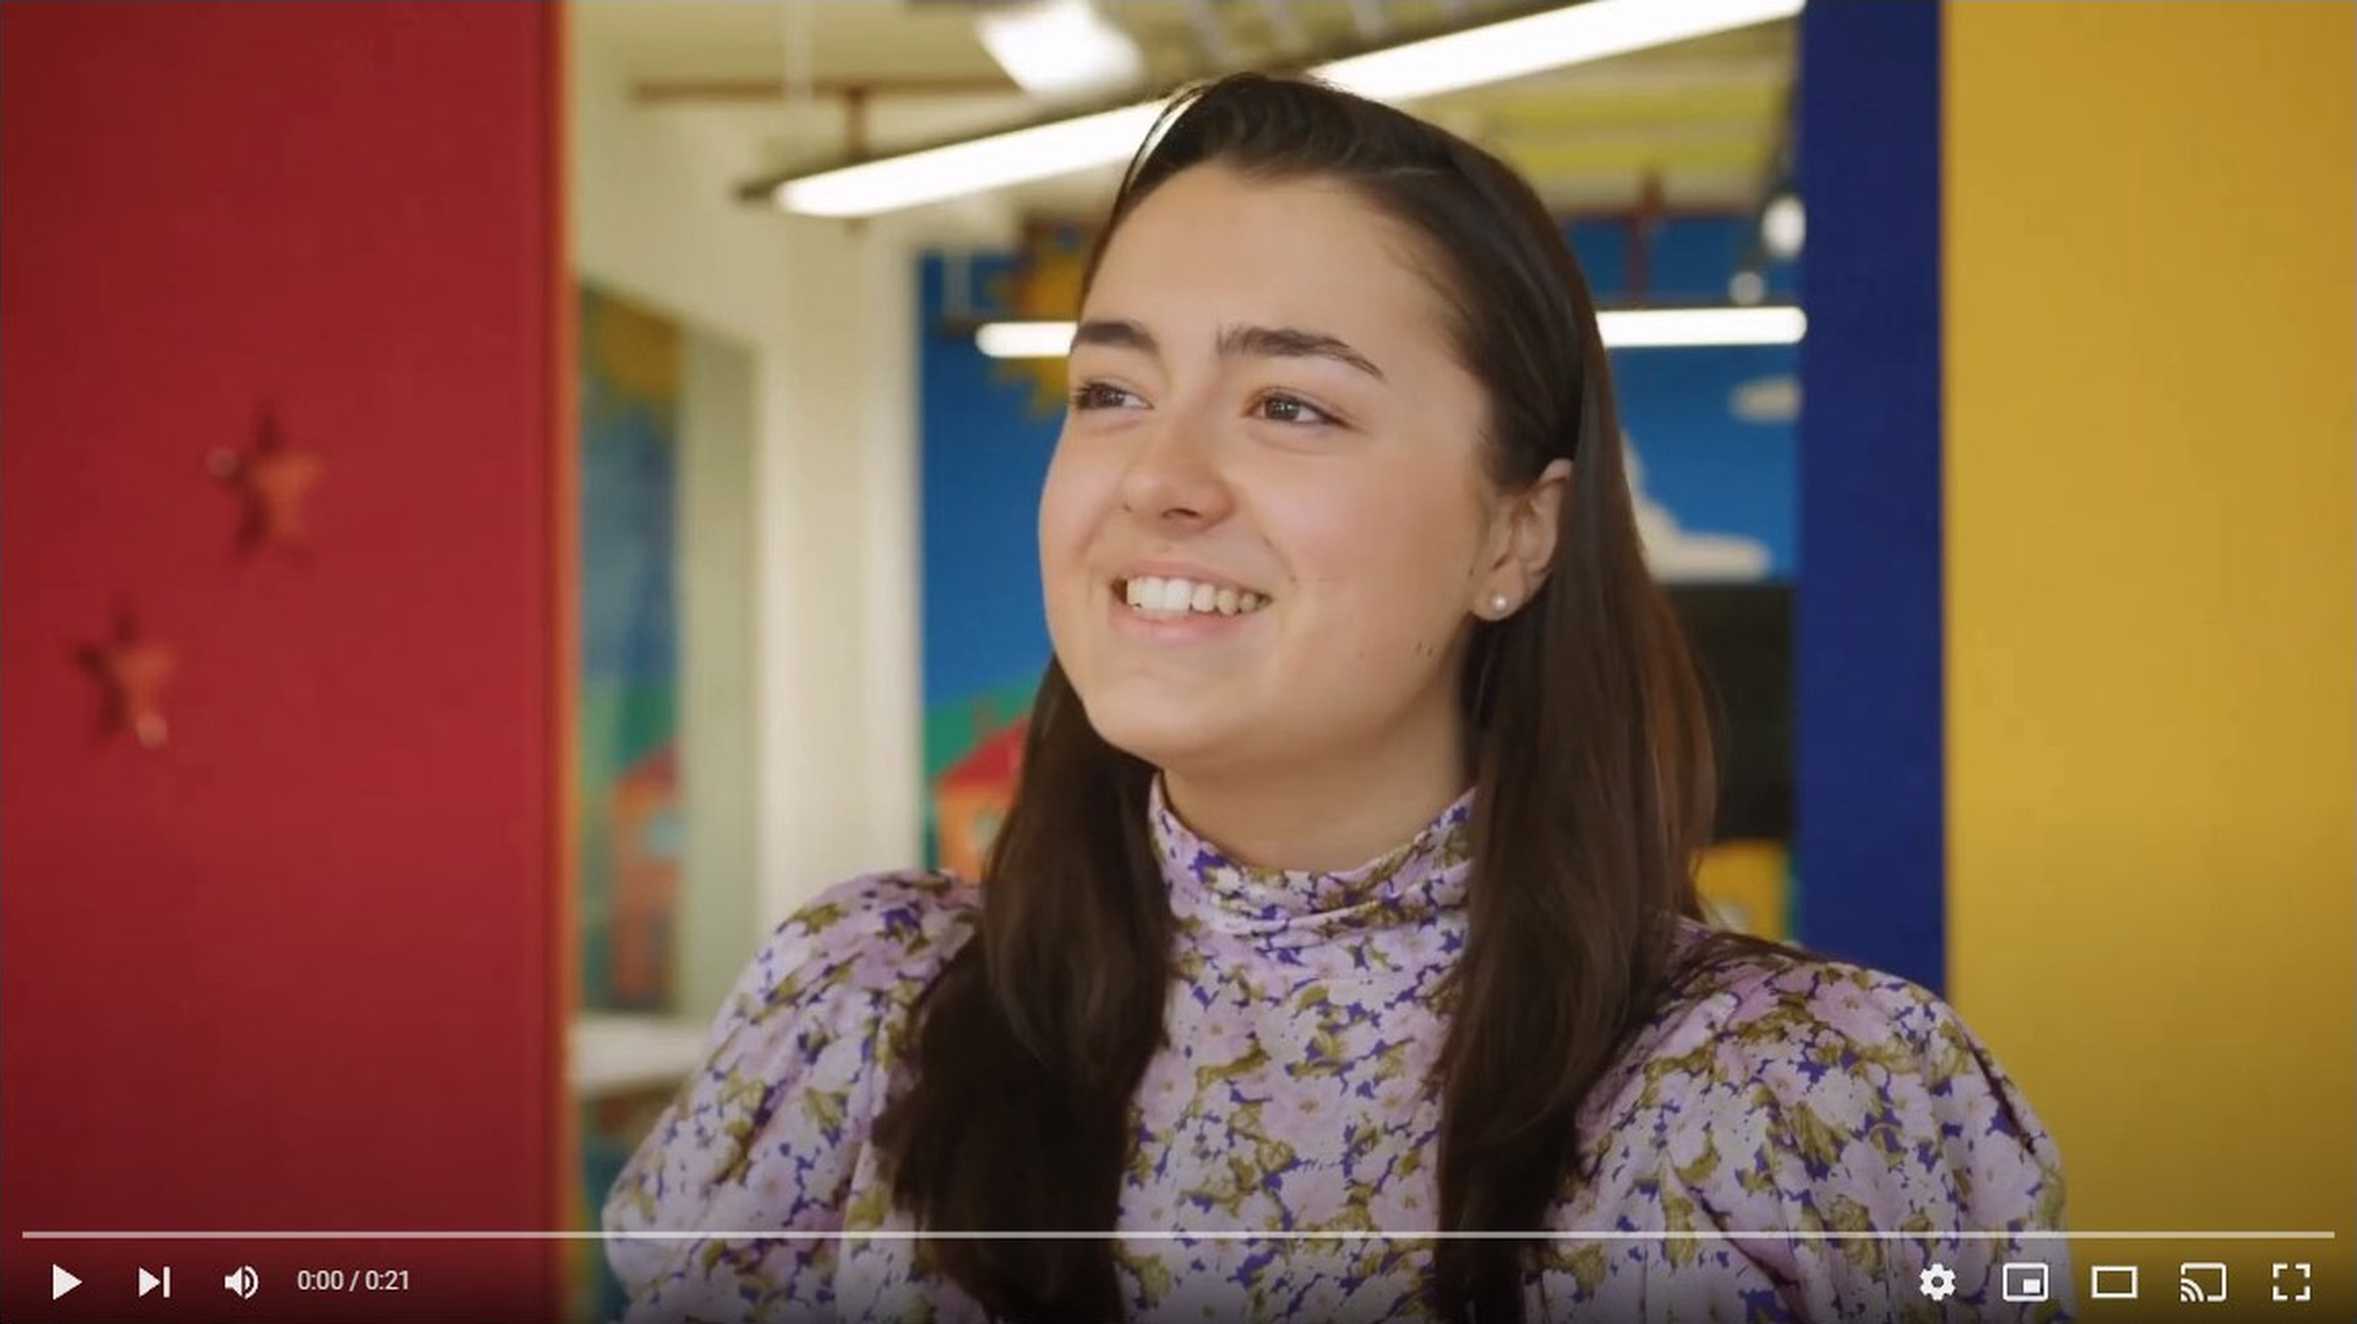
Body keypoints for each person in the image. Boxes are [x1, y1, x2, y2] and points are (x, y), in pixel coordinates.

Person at [604, 72, 2067, 1323]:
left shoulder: (1806, 1099)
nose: (1157, 480)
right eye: (1110, 392)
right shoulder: (853, 1016)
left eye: (1288, 406)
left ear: (1514, 536)